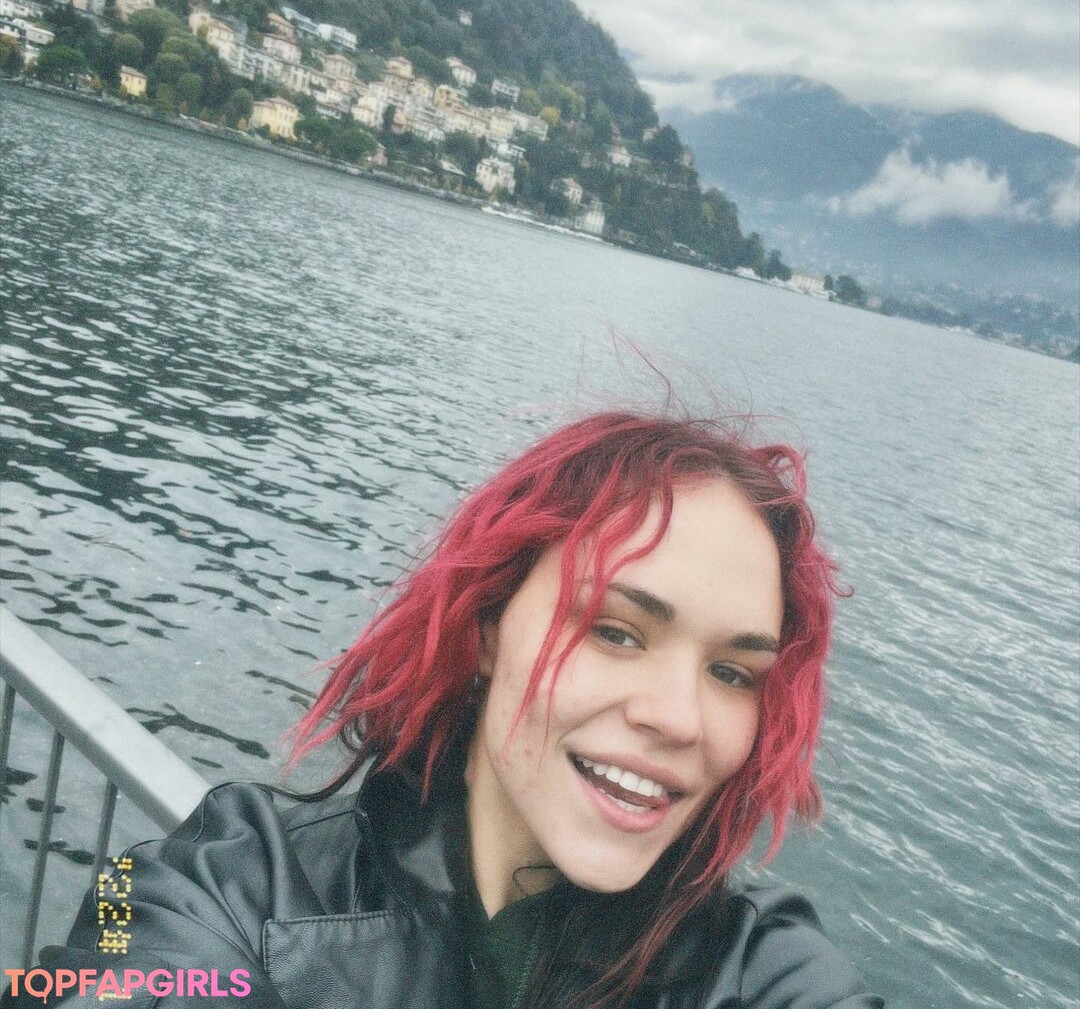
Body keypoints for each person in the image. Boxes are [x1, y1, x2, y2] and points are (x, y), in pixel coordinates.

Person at [5, 412, 884, 1008]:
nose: (682, 718)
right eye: (616, 631)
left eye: (732, 672)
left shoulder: (760, 967)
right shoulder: (220, 877)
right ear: (489, 626)